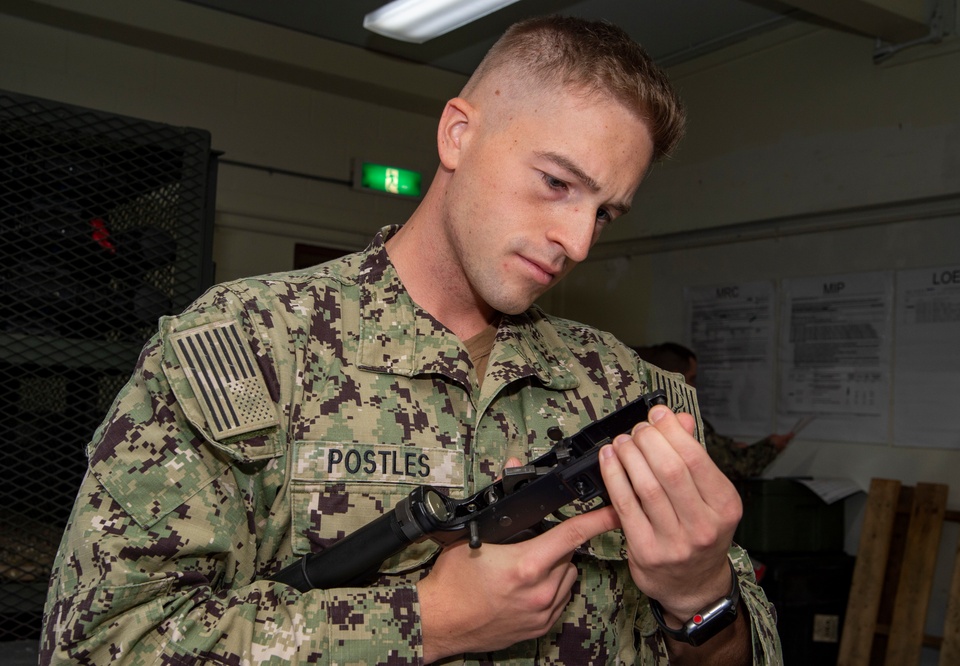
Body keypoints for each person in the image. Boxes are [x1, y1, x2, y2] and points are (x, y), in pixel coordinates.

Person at [40, 16, 781, 665]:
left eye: (606, 213)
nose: (579, 240)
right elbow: (106, 643)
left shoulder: (626, 391)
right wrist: (429, 621)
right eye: (557, 182)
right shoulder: (245, 350)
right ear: (459, 134)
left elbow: (736, 650)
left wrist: (699, 595)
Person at [634, 342, 794, 481]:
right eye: (691, 378)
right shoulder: (676, 417)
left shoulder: (636, 409)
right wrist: (771, 446)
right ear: (675, 377)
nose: (693, 387)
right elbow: (735, 467)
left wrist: (731, 448)